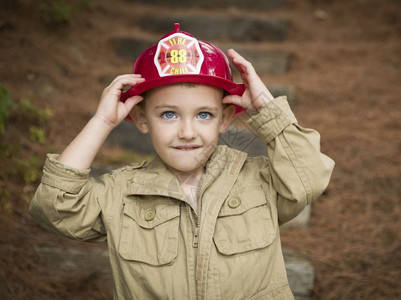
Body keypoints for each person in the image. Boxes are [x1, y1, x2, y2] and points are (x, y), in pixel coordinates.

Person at [29, 23, 334, 299]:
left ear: (225, 118)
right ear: (141, 118)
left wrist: (267, 110)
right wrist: (102, 122)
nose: (187, 132)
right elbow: (54, 205)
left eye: (204, 115)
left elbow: (309, 178)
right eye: (169, 114)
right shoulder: (122, 195)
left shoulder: (258, 181)